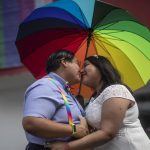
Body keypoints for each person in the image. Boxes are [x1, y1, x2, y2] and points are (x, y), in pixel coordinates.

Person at [49, 55, 150, 150]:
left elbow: (108, 132)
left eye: (86, 65)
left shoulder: (116, 90)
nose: (81, 70)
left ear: (101, 67)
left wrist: (67, 146)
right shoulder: (94, 98)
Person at [23, 50, 89, 150]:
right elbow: (31, 123)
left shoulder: (63, 89)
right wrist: (74, 129)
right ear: (64, 62)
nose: (81, 70)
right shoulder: (45, 86)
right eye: (77, 63)